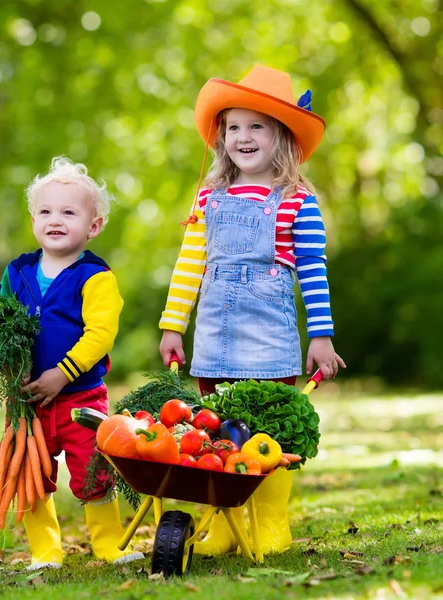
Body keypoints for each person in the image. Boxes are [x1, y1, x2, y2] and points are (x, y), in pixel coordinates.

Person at [158, 65, 346, 555]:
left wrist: (320, 335)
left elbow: (313, 269)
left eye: (256, 126)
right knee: (218, 433)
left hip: (271, 340)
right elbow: (189, 265)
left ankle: (271, 520)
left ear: (281, 135)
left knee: (272, 433)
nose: (242, 136)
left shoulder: (296, 201)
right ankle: (225, 521)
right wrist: (173, 324)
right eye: (233, 127)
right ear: (222, 139)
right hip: (215, 337)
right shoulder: (208, 199)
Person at [0, 157, 143, 569]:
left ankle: (108, 543)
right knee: (30, 474)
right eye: (45, 211)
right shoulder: (18, 271)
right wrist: (13, 367)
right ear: (33, 221)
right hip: (28, 402)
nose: (55, 219)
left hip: (81, 399)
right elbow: (0, 325)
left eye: (68, 212)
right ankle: (45, 551)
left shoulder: (95, 276)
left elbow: (99, 335)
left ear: (92, 226)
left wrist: (61, 374)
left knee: (95, 471)